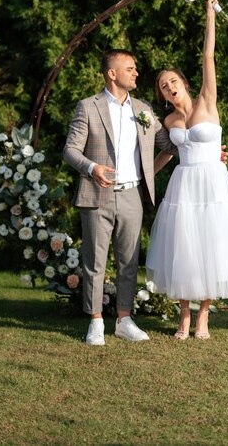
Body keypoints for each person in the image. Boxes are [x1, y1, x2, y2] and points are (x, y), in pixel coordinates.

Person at [146, 0, 228, 340]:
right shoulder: (169, 119)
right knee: (184, 248)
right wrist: (144, 177)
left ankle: (204, 316)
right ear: (162, 95)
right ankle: (184, 317)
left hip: (213, 184)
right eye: (163, 86)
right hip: (184, 184)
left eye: (173, 81)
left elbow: (208, 56)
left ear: (183, 82)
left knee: (211, 245)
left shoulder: (207, 99)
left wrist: (209, 16)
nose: (170, 87)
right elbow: (167, 154)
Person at [63, 48, 177, 345]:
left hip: (131, 194)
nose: (136, 72)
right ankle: (96, 322)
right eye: (129, 68)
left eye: (135, 68)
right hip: (96, 194)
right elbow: (70, 151)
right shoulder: (88, 106)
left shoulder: (143, 109)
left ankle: (124, 320)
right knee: (95, 262)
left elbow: (168, 143)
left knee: (129, 262)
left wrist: (201, 144)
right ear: (112, 73)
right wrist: (92, 167)